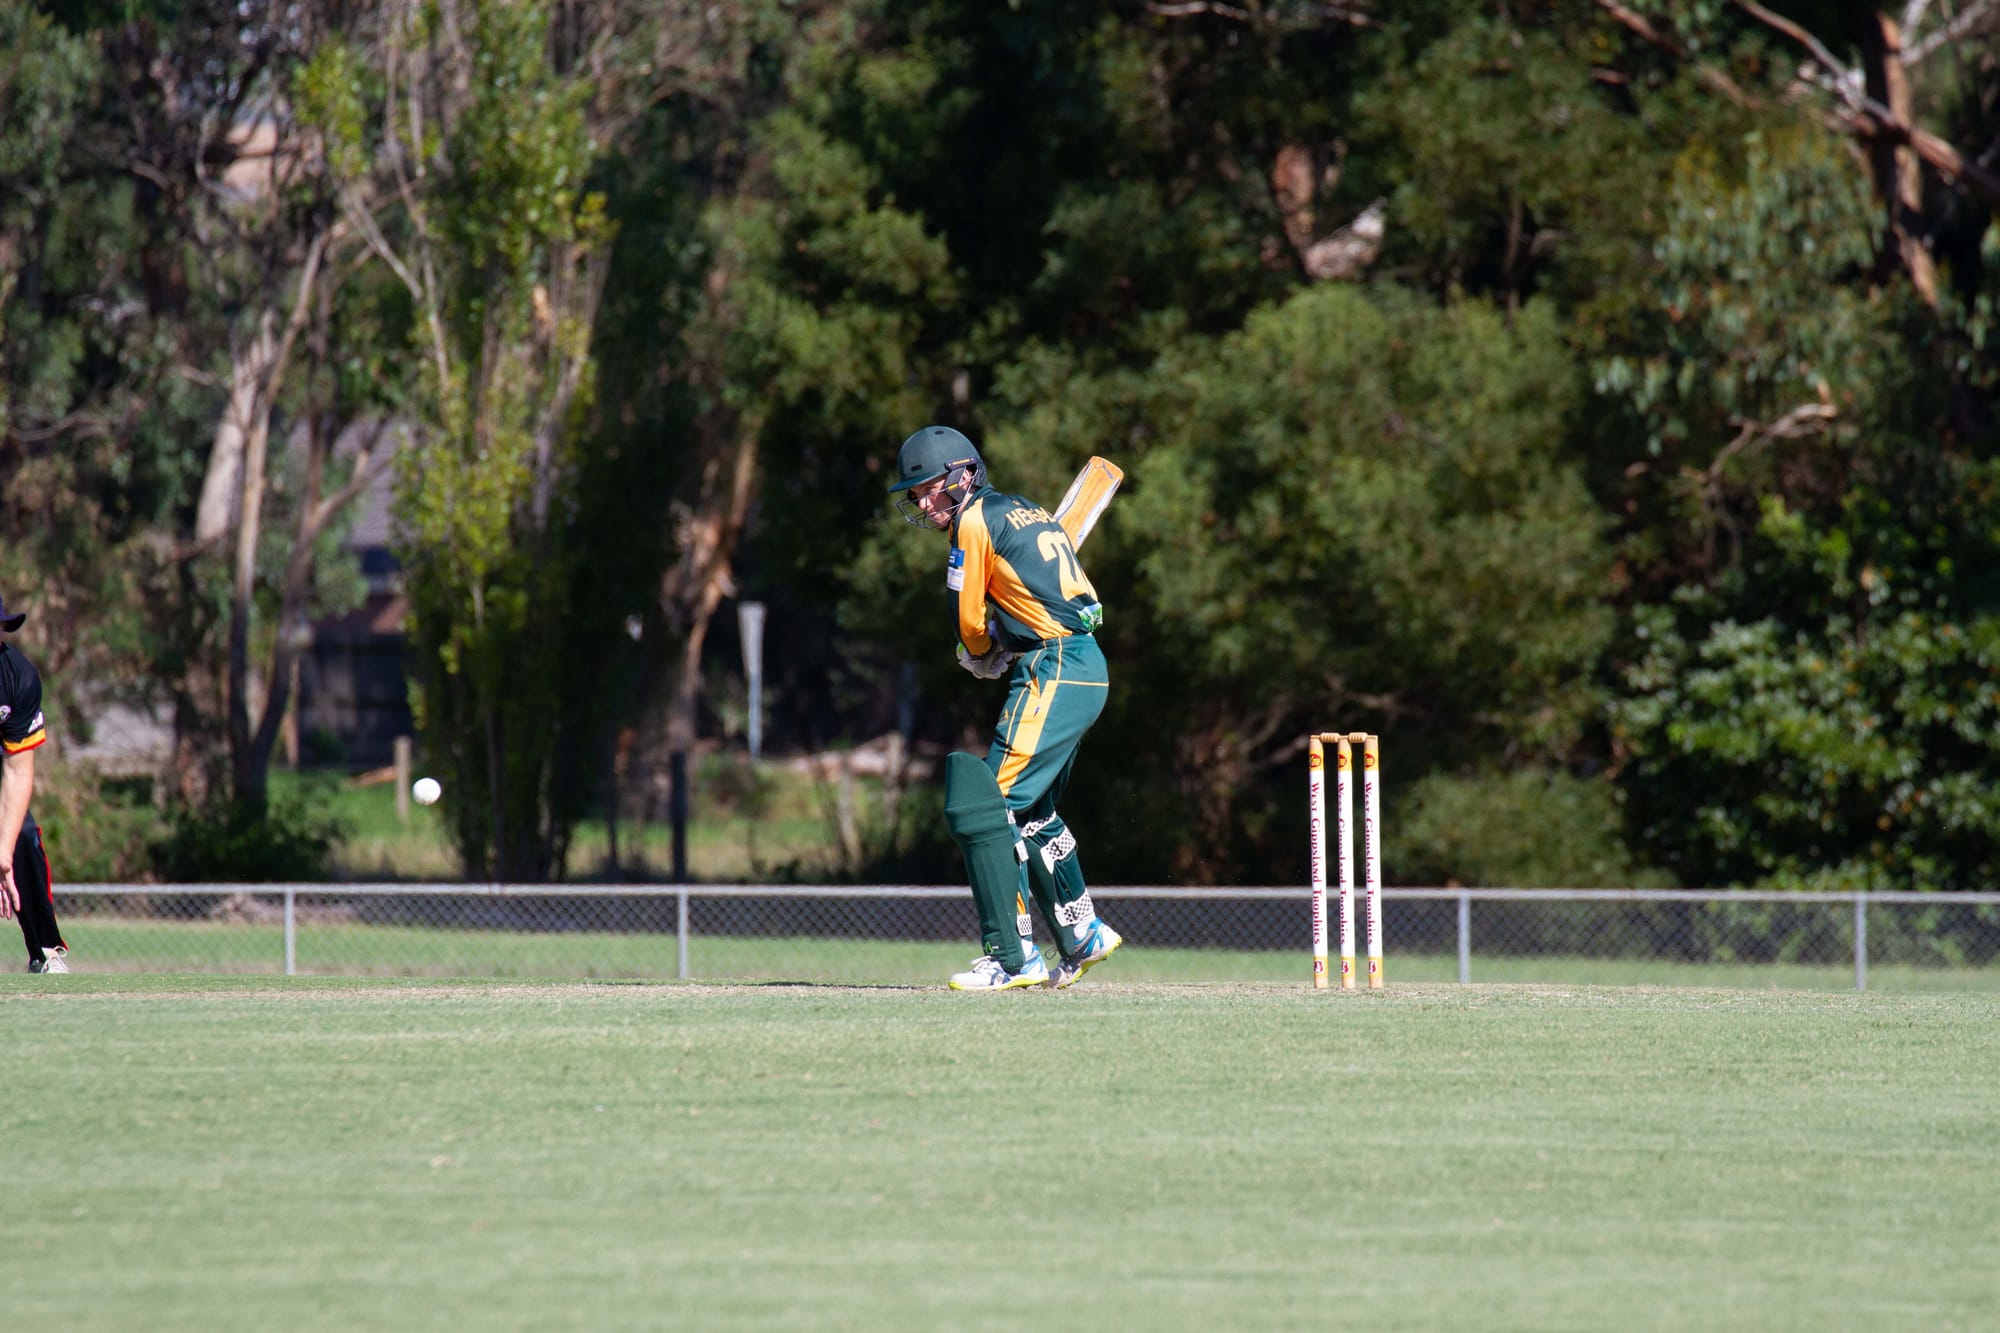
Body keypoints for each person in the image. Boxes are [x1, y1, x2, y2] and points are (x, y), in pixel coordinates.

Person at [888, 425, 1123, 990]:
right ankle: (1081, 932)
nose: (925, 501)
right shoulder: (1024, 509)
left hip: (1054, 666)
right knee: (1033, 809)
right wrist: (1005, 634)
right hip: (1086, 662)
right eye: (916, 493)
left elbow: (968, 620)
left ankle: (1013, 957)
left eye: (932, 487)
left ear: (964, 476)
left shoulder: (972, 522)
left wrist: (982, 650)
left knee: (987, 808)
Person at [0, 593, 67, 973]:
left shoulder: (19, 677)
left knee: (23, 836)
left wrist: (3, 856)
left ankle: (44, 950)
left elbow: (18, 770)